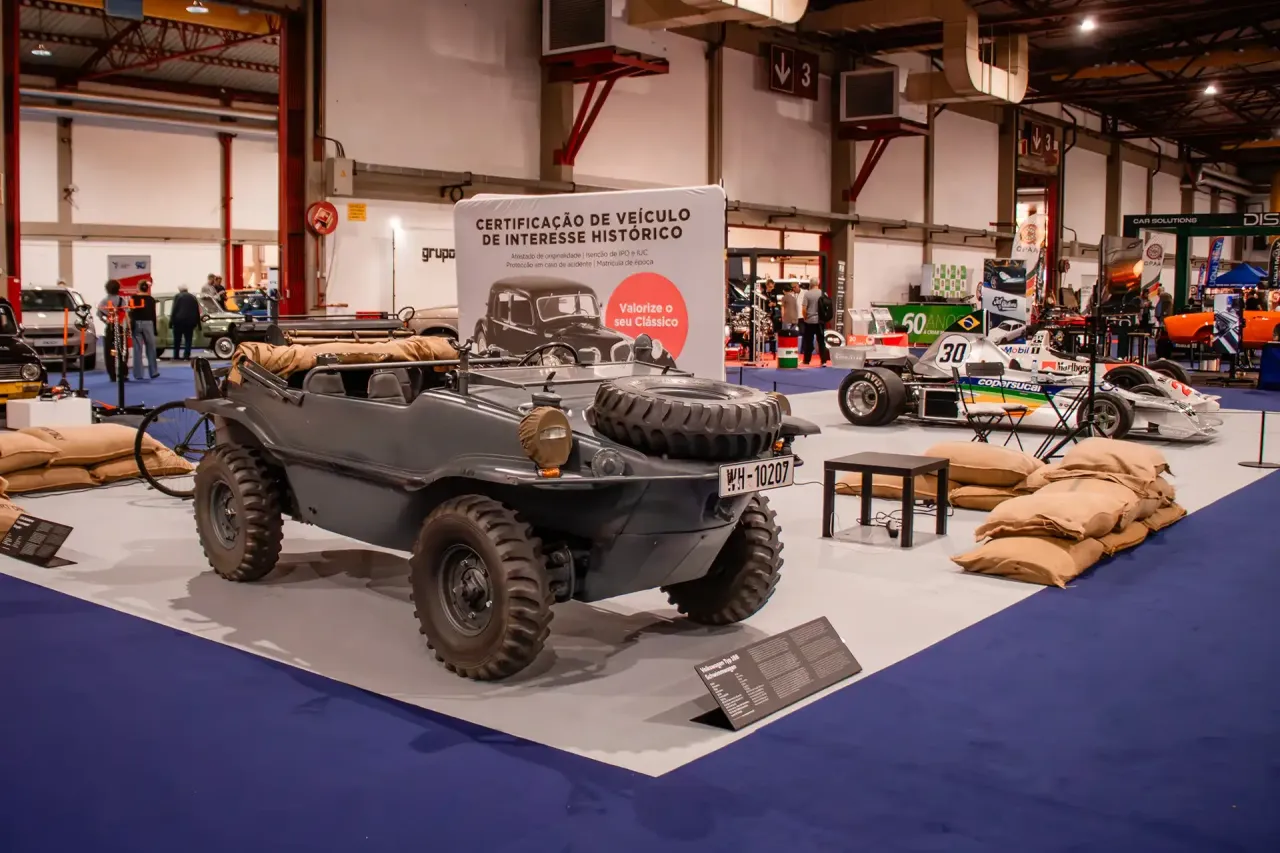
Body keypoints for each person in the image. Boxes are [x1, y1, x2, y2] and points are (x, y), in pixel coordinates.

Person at [96, 280, 128, 382]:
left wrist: (106, 321)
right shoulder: (121, 300)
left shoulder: (104, 301)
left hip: (110, 327)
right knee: (122, 350)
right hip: (120, 327)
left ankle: (112, 374)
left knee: (110, 351)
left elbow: (99, 314)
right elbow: (126, 313)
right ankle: (123, 373)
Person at [130, 280, 160, 380]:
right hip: (149, 324)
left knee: (137, 349)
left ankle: (138, 374)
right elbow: (153, 314)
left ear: (138, 287)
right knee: (151, 348)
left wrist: (131, 326)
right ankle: (153, 371)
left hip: (137, 323)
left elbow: (131, 313)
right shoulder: (151, 299)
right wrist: (155, 329)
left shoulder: (133, 298)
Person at [800, 280, 830, 366]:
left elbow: (804, 309)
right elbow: (827, 306)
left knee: (808, 341)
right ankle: (823, 360)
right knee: (821, 341)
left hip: (809, 321)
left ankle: (807, 360)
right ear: (818, 284)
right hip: (820, 321)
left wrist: (805, 317)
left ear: (811, 284)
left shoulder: (807, 294)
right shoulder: (823, 293)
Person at [169, 284, 201, 361]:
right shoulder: (193, 297)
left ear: (180, 290)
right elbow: (197, 311)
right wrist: (199, 324)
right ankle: (186, 356)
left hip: (178, 321)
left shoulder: (177, 296)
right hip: (190, 322)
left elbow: (174, 309)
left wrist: (171, 322)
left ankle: (176, 356)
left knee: (177, 339)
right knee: (188, 340)